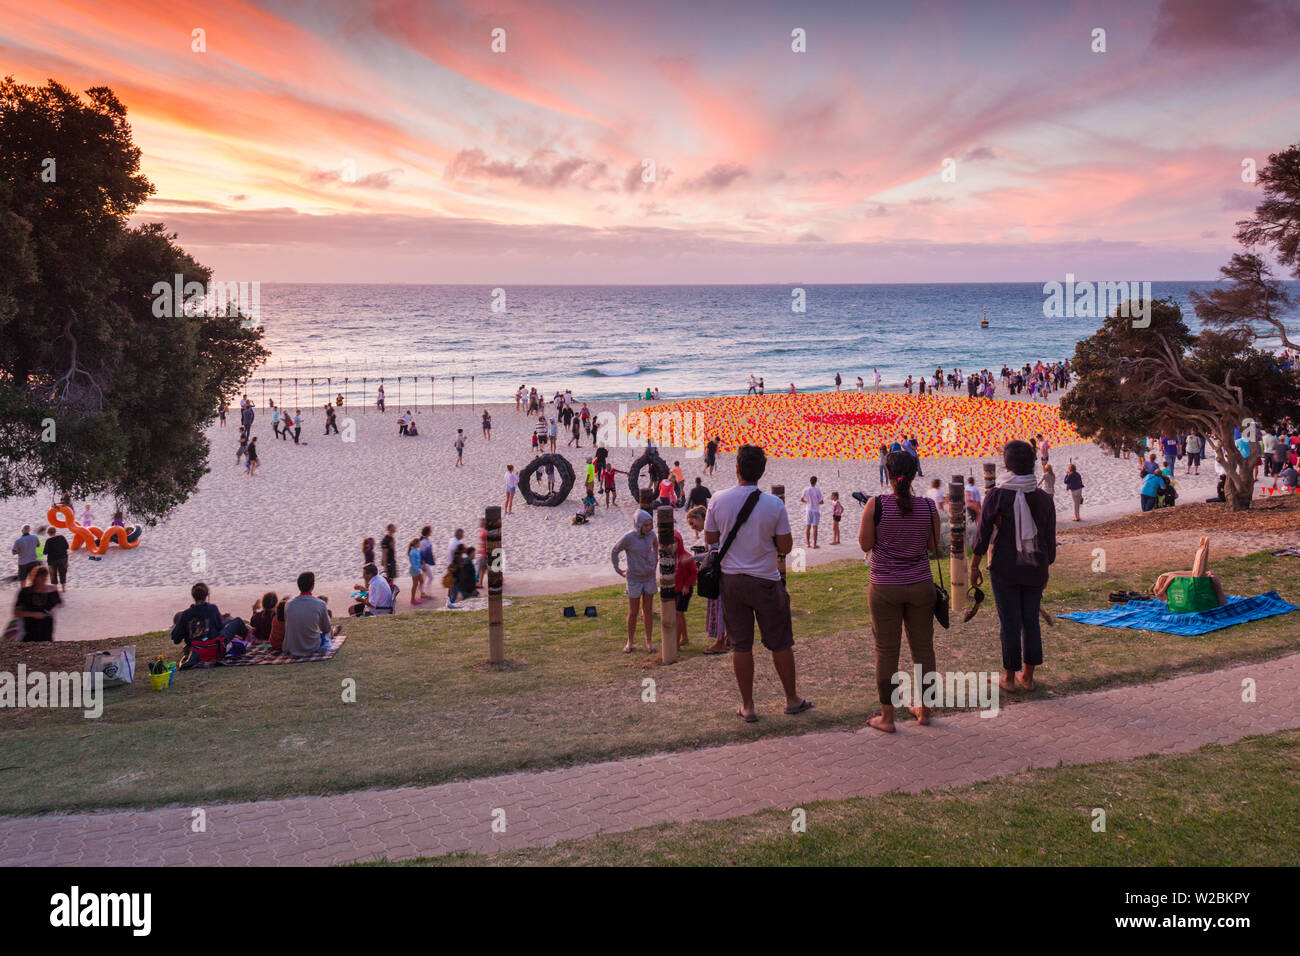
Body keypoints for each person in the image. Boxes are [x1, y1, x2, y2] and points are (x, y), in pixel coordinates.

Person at [705, 444, 811, 722]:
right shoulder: (774, 504)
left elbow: (710, 538)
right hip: (765, 579)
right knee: (780, 642)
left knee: (741, 645)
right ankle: (791, 699)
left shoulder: (718, 499)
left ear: (737, 468)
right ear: (762, 472)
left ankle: (748, 706)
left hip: (732, 581)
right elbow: (786, 548)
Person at [857, 450, 940, 733]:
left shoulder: (875, 505)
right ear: (915, 474)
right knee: (924, 651)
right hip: (920, 584)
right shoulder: (928, 507)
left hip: (884, 586)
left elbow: (865, 545)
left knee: (886, 651)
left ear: (889, 475)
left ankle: (888, 717)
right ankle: (925, 711)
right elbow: (932, 545)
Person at [970, 441, 1057, 694]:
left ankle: (1009, 677)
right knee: (1030, 621)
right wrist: (1046, 566)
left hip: (1005, 567)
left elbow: (982, 535)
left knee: (1009, 622)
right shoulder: (1042, 498)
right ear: (1031, 464)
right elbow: (1050, 541)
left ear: (1006, 465)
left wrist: (974, 567)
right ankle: (1027, 677)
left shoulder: (997, 496)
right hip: (1035, 567)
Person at [611, 510, 658, 653]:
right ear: (638, 524)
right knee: (633, 612)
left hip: (649, 577)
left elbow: (656, 547)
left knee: (648, 610)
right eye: (646, 525)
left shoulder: (652, 535)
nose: (649, 528)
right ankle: (630, 642)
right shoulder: (628, 538)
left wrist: (654, 562)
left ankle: (648, 642)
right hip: (634, 579)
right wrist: (618, 569)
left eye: (650, 524)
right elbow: (615, 551)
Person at [284, 572, 334, 657]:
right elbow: (326, 629)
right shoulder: (320, 603)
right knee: (326, 636)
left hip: (291, 647)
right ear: (313, 586)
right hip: (312, 647)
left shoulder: (288, 604)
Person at [13, 566, 61, 641]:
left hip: (47, 632)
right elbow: (16, 612)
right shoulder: (25, 592)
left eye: (45, 578)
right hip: (29, 632)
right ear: (34, 578)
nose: (43, 580)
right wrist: (33, 614)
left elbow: (57, 605)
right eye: (41, 578)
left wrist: (51, 612)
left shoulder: (52, 591)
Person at [673, 528, 699, 647]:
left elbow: (694, 573)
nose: (672, 545)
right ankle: (685, 638)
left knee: (678, 613)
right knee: (679, 614)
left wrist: (687, 585)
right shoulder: (669, 557)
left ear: (680, 542)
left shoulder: (686, 557)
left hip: (685, 589)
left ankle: (677, 642)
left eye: (675, 541)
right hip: (675, 589)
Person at [44, 526, 69, 592]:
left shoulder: (48, 541)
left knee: (53, 574)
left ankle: (55, 589)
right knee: (63, 573)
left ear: (48, 533)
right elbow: (67, 546)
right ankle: (63, 589)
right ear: (55, 531)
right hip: (63, 558)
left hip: (52, 559)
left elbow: (45, 552)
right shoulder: (61, 537)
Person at [801, 476, 824, 548]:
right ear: (816, 482)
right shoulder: (817, 490)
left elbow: (801, 499)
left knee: (808, 526)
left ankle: (808, 543)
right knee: (815, 527)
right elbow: (822, 501)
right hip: (815, 510)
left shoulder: (806, 489)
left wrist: (807, 502)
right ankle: (814, 544)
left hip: (808, 509)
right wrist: (817, 502)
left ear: (810, 481)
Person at [408, 538, 424, 605]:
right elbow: (413, 563)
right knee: (415, 585)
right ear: (415, 544)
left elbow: (418, 561)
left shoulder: (416, 550)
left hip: (418, 569)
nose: (420, 544)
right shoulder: (412, 552)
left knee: (422, 581)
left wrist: (421, 567)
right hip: (414, 570)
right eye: (419, 543)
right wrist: (418, 570)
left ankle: (420, 595)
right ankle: (412, 600)